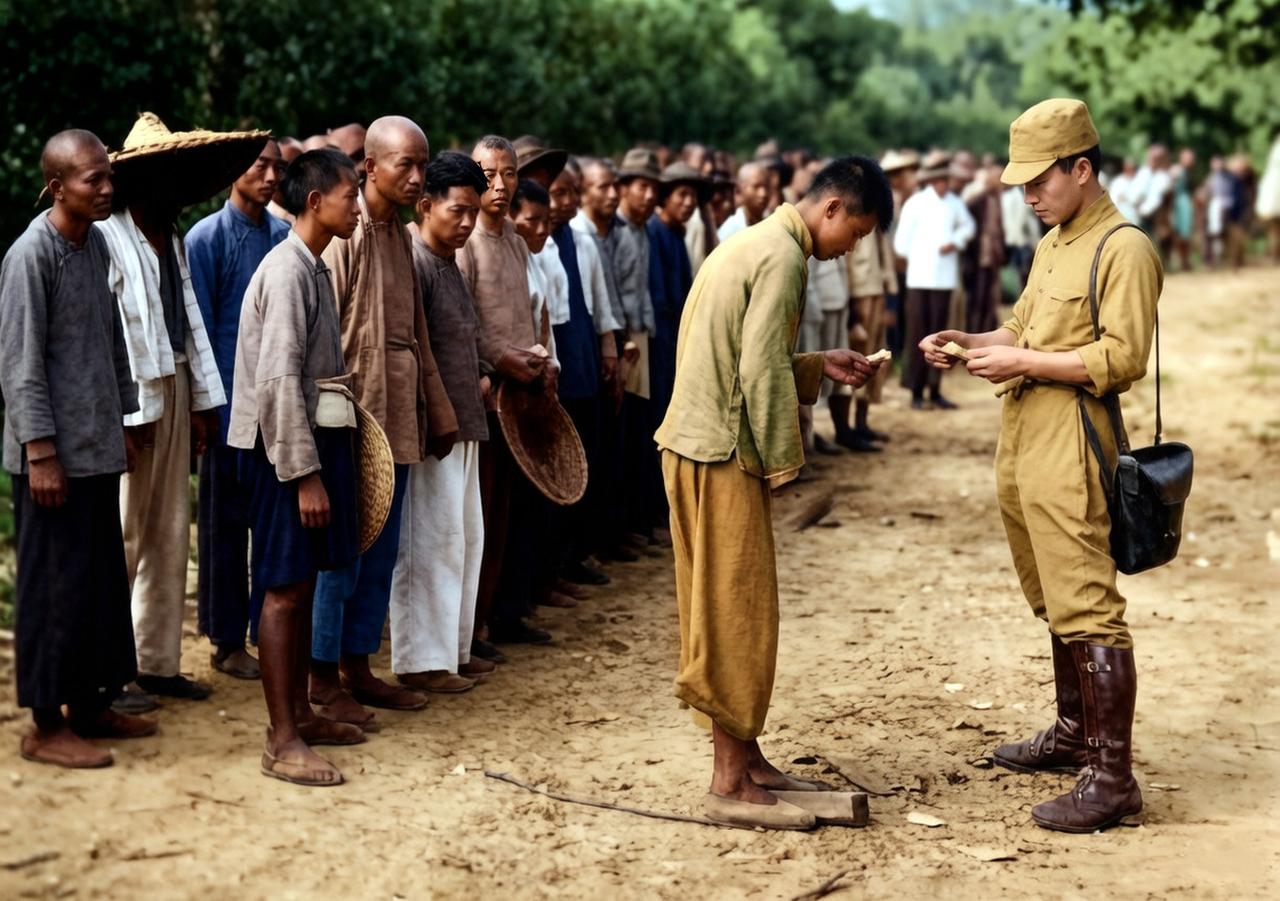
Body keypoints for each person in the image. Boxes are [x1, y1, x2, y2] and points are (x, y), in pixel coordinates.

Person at [921, 99, 1161, 834]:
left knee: (1086, 598)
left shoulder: (1124, 248)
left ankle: (1113, 776)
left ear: (1081, 169)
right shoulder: (1054, 242)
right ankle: (1071, 732)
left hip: (1075, 440)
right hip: (1024, 434)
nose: (1027, 194)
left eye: (1038, 180)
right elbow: (1023, 327)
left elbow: (1122, 358)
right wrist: (973, 338)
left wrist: (1021, 359)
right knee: (1052, 591)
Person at [655, 156, 892, 830]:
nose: (850, 251)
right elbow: (757, 368)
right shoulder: (785, 259)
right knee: (737, 615)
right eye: (857, 234)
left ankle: (748, 760)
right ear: (832, 210)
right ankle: (729, 782)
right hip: (722, 452)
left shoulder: (756, 240)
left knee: (722, 610)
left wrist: (816, 366)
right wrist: (788, 466)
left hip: (695, 442)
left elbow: (744, 354)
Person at [1, 130, 156, 768]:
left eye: (107, 176)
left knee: (98, 586)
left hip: (96, 450)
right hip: (53, 461)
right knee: (53, 589)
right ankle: (44, 723)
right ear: (57, 187)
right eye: (93, 180)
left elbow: (110, 341)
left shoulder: (92, 246)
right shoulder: (29, 256)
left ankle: (90, 704)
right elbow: (19, 365)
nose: (107, 188)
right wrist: (40, 452)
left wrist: (124, 414)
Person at [310, 116, 458, 725]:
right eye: (407, 165)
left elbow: (417, 334)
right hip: (348, 423)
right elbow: (322, 345)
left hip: (398, 422)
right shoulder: (340, 237)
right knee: (339, 555)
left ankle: (358, 667)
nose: (418, 177)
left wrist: (439, 411)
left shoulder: (399, 233)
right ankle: (320, 679)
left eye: (423, 165)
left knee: (381, 552)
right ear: (369, 166)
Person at [97, 113, 249, 707]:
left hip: (177, 385)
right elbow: (108, 337)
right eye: (159, 174)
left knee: (169, 531)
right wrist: (121, 417)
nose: (170, 186)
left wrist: (204, 406)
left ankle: (157, 663)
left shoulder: (173, 236)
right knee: (126, 531)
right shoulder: (108, 236)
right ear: (136, 178)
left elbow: (187, 325)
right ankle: (109, 672)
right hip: (134, 395)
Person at [227, 147, 365, 786]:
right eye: (349, 196)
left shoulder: (313, 267)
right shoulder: (286, 273)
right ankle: (281, 740)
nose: (357, 208)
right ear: (316, 203)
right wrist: (304, 474)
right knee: (282, 589)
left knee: (303, 583)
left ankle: (301, 716)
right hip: (282, 453)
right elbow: (278, 381)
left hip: (305, 446)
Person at [388, 152, 497, 693]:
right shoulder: (411, 259)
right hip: (432, 428)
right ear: (426, 205)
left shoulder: (448, 261)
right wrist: (436, 417)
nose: (468, 223)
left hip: (464, 423)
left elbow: (462, 338)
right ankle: (419, 661)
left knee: (463, 540)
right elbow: (413, 348)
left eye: (473, 213)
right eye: (458, 211)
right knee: (428, 544)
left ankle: (452, 650)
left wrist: (479, 376)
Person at [186, 138, 290, 681]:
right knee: (224, 530)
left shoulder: (284, 237)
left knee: (269, 528)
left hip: (273, 409)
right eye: (259, 165)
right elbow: (197, 326)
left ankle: (262, 631)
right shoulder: (206, 238)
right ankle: (225, 640)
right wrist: (205, 408)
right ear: (234, 173)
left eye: (278, 167)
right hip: (225, 406)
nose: (271, 176)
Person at [459, 135, 555, 648]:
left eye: (508, 174)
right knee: (480, 513)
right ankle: (469, 627)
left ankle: (496, 616)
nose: (499, 185)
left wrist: (542, 359)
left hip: (521, 398)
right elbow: (464, 324)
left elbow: (531, 316)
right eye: (488, 174)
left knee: (507, 515)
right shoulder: (465, 241)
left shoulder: (517, 242)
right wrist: (499, 361)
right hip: (484, 395)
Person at [894, 150, 975, 410]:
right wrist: (923, 253)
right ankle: (916, 389)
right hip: (919, 277)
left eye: (946, 180)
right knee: (918, 333)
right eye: (939, 180)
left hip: (944, 278)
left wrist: (955, 242)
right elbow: (901, 244)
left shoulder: (954, 203)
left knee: (941, 335)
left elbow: (968, 227)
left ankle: (935, 388)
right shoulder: (916, 203)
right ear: (931, 181)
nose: (943, 184)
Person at [613, 148, 662, 548]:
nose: (647, 195)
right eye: (640, 186)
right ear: (624, 189)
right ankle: (622, 527)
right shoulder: (614, 231)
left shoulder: (643, 229)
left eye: (652, 188)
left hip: (644, 333)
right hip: (625, 339)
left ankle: (638, 521)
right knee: (624, 433)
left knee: (642, 428)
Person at [842, 221, 897, 450]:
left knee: (876, 358)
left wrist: (890, 294)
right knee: (857, 360)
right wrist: (852, 306)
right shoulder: (854, 216)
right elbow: (846, 260)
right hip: (859, 292)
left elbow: (885, 257)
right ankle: (846, 428)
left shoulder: (876, 221)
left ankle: (862, 422)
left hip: (877, 290)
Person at [716, 161, 770, 242]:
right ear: (741, 188)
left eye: (767, 187)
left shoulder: (771, 222)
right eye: (756, 187)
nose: (763, 194)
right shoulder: (731, 229)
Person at [1257, 134, 1280, 263]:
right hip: (1273, 199)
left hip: (1272, 199)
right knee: (1274, 231)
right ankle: (1275, 254)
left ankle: (1275, 254)